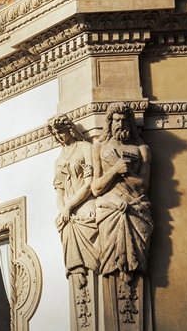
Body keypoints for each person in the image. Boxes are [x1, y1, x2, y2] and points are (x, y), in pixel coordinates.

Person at [91, 103, 153, 282]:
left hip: (136, 209)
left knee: (137, 258)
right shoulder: (100, 147)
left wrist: (125, 172)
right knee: (111, 257)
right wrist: (114, 169)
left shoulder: (142, 150)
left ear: (131, 124)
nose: (120, 124)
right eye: (116, 120)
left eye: (125, 120)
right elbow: (96, 188)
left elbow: (143, 186)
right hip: (109, 210)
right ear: (109, 123)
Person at [47, 114, 100, 288]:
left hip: (85, 201)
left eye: (61, 131)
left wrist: (68, 207)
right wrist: (63, 209)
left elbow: (89, 183)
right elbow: (59, 193)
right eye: (56, 133)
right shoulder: (58, 160)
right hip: (68, 207)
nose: (59, 135)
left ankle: (92, 271)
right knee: (66, 225)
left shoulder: (85, 147)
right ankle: (77, 271)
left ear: (69, 129)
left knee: (87, 217)